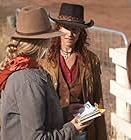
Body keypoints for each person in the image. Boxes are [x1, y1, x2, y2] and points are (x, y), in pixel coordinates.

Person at [0, 6, 92, 140]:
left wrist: (64, 113)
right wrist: (73, 128)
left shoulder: (22, 69)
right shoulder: (29, 81)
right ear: (44, 41)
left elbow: (33, 117)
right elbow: (36, 137)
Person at [40, 3, 107, 140]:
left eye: (75, 29)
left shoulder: (91, 60)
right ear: (58, 28)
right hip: (54, 131)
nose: (70, 34)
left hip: (82, 132)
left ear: (81, 32)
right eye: (66, 28)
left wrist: (101, 136)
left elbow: (98, 100)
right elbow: (38, 102)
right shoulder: (45, 60)